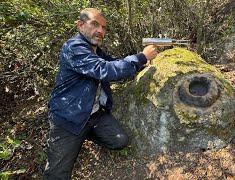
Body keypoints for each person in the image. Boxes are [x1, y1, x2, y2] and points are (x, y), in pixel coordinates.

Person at [44, 8, 157, 179]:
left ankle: (85, 133)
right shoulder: (73, 47)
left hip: (94, 114)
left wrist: (141, 65)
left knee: (120, 141)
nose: (100, 31)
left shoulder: (94, 49)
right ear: (80, 25)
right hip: (69, 118)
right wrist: (141, 56)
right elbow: (105, 70)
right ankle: (77, 135)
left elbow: (113, 63)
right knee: (57, 174)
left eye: (104, 27)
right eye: (95, 25)